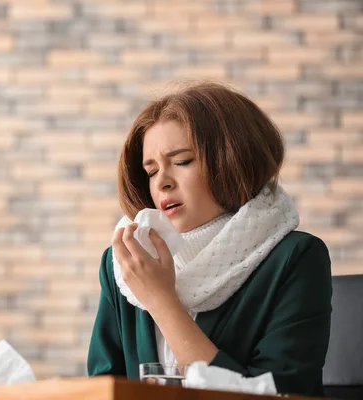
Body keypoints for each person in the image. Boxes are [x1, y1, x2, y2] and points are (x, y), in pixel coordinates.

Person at [87, 82, 332, 397]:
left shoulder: (295, 258)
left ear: (233, 159)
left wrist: (162, 301)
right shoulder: (127, 263)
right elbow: (101, 388)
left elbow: (279, 394)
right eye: (151, 171)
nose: (162, 182)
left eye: (182, 161)